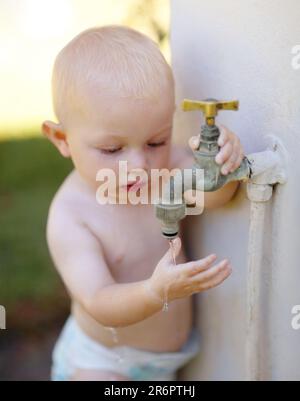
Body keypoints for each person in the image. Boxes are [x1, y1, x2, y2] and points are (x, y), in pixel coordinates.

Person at [42, 25, 244, 381]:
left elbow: (216, 196)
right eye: (112, 149)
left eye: (155, 141)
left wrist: (223, 160)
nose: (140, 165)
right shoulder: (72, 216)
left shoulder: (166, 169)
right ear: (62, 139)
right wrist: (154, 292)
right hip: (102, 361)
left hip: (167, 362)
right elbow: (99, 301)